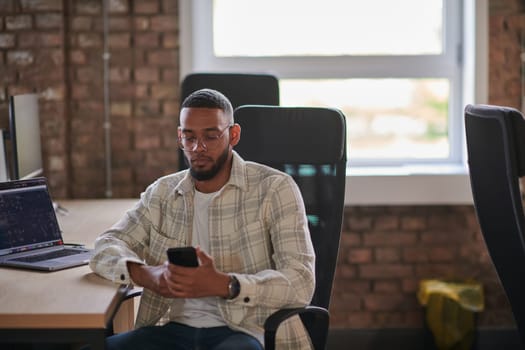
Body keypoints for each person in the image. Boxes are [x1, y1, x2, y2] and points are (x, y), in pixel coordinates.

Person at [89, 88, 316, 350]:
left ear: (233, 135)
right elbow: (105, 245)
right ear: (179, 137)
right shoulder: (162, 193)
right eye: (189, 137)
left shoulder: (275, 189)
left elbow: (301, 282)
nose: (198, 148)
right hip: (171, 331)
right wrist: (144, 274)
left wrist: (228, 285)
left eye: (211, 136)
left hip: (246, 331)